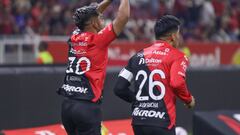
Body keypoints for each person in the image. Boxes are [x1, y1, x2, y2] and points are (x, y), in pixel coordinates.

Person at [114, 15, 195, 135]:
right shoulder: (178, 56)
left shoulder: (137, 56)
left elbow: (119, 88)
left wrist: (138, 101)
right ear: (173, 36)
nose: (179, 37)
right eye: (178, 33)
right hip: (162, 121)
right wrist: (188, 100)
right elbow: (177, 83)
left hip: (139, 122)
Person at [57, 0, 130, 134]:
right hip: (86, 107)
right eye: (99, 18)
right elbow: (123, 17)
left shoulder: (75, 36)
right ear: (94, 23)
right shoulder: (99, 40)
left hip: (67, 106)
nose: (101, 19)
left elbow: (90, 14)